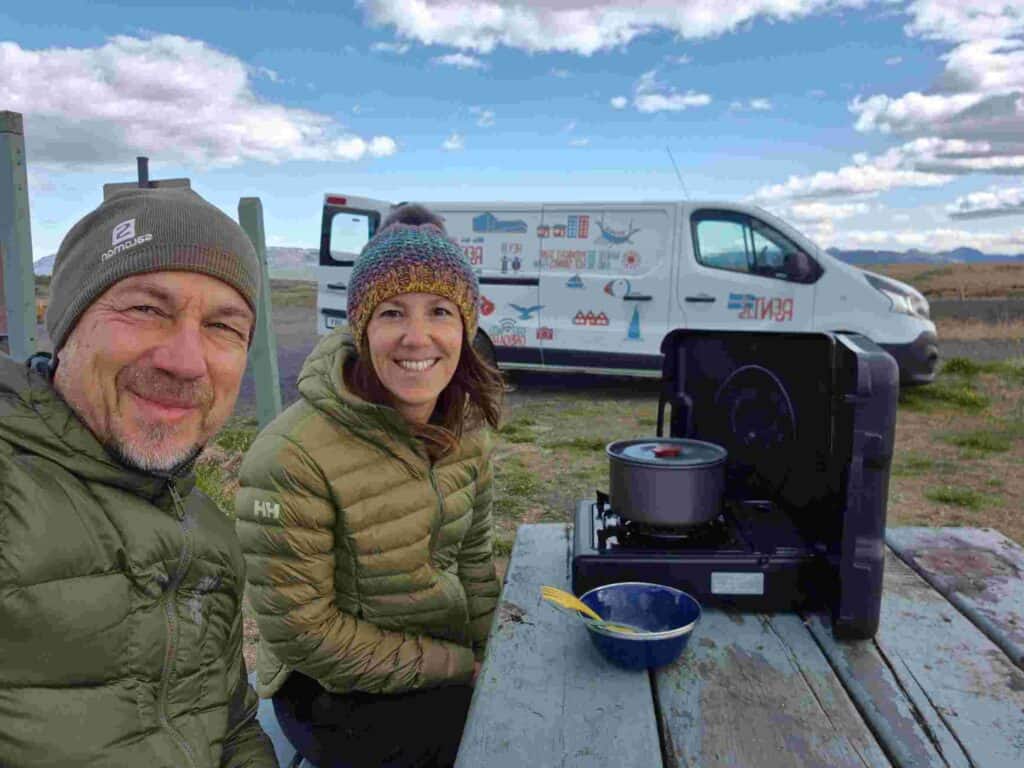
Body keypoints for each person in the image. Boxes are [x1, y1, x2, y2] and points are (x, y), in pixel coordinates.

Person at [0, 188, 277, 767]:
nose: (185, 360)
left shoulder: (208, 533)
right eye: (146, 309)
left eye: (224, 326)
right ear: (69, 324)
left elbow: (233, 725)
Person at [236, 204, 504, 768]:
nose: (417, 336)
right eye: (391, 313)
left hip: (441, 664)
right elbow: (304, 635)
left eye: (439, 311)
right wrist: (463, 668)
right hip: (333, 694)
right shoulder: (292, 456)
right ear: (361, 329)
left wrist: (492, 655)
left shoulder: (466, 429)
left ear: (466, 327)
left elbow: (474, 562)